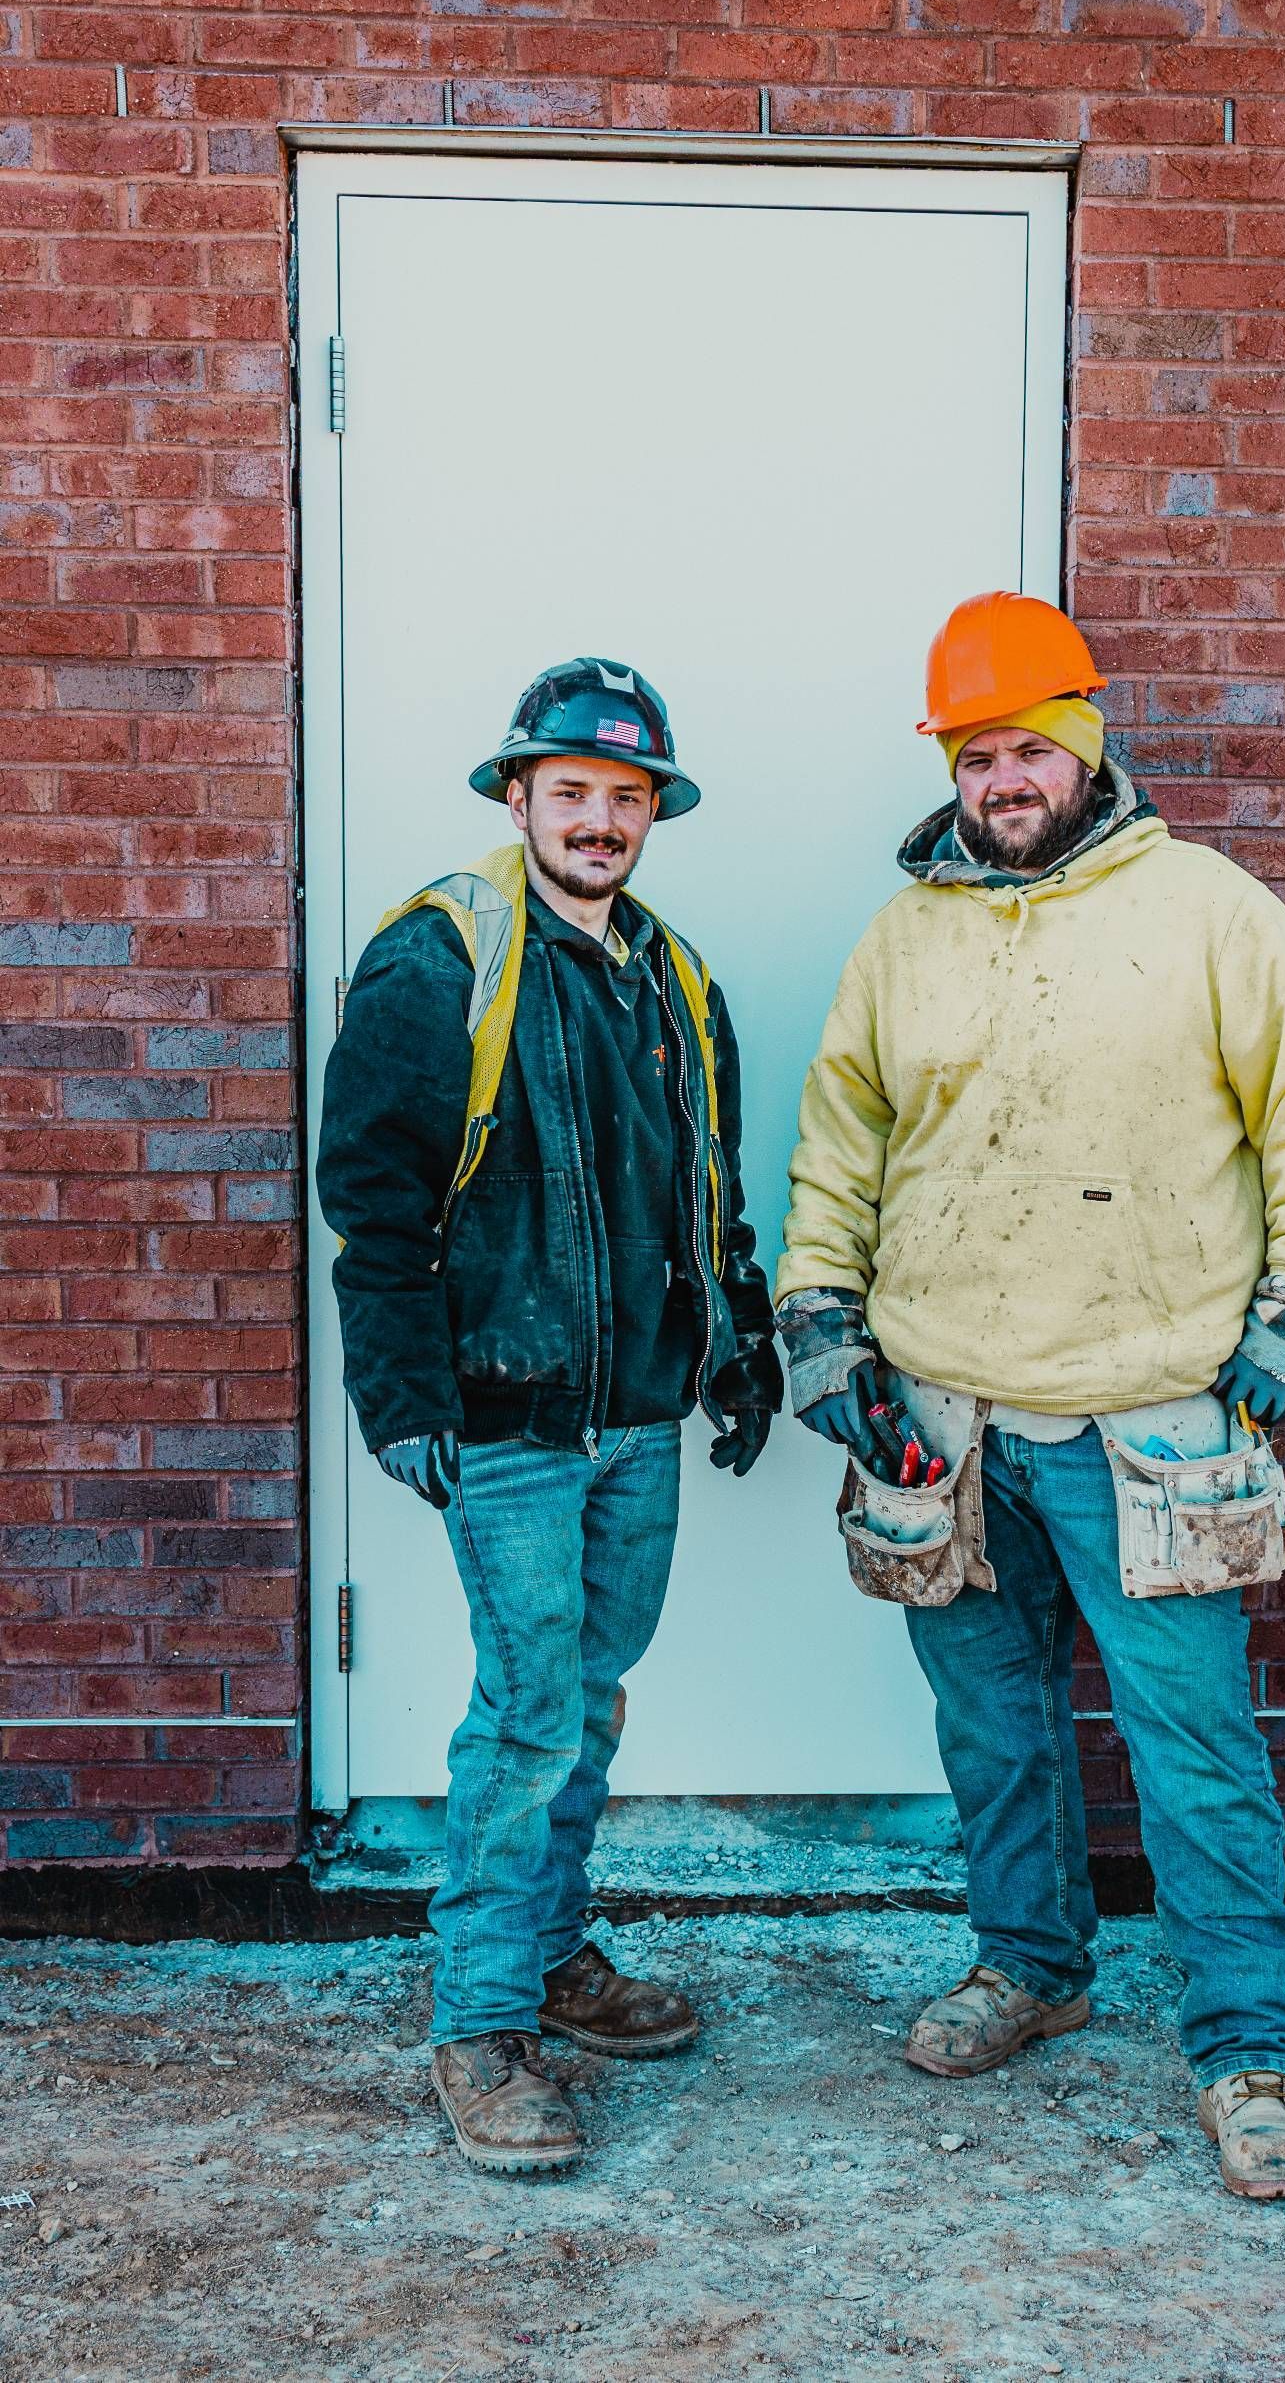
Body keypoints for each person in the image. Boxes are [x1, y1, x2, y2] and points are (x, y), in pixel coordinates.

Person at [774, 592, 1285, 2201]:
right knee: (993, 1729)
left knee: (1191, 1748)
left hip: (1153, 1420)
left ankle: (1247, 2046)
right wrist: (822, 1323)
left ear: (1085, 744)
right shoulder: (903, 938)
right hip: (942, 1420)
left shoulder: (1204, 911)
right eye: (976, 754)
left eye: (1028, 744)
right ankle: (1031, 1964)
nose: (1002, 777)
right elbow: (841, 1140)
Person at [317, 656, 780, 2173]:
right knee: (525, 1715)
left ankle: (557, 1952)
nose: (598, 819)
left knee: (587, 1694)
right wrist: (399, 1396)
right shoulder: (441, 956)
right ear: (517, 796)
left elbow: (702, 1195)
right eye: (570, 790)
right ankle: (483, 2025)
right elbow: (373, 1205)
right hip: (506, 1420)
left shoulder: (674, 976)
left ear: (653, 813)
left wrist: (737, 1345)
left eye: (624, 797)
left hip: (636, 1417)